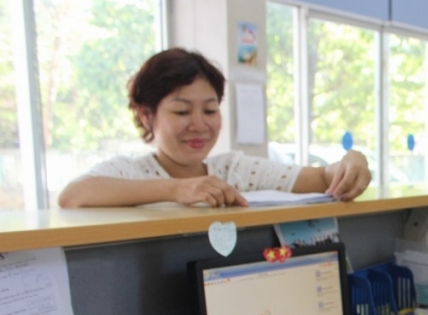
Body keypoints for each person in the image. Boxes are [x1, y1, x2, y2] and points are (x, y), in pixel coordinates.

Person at [58, 48, 371, 208]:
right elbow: (74, 196)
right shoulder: (132, 171)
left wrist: (349, 162)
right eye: (181, 110)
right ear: (146, 115)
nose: (199, 124)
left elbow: (319, 179)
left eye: (210, 109)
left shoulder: (234, 170)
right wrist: (177, 189)